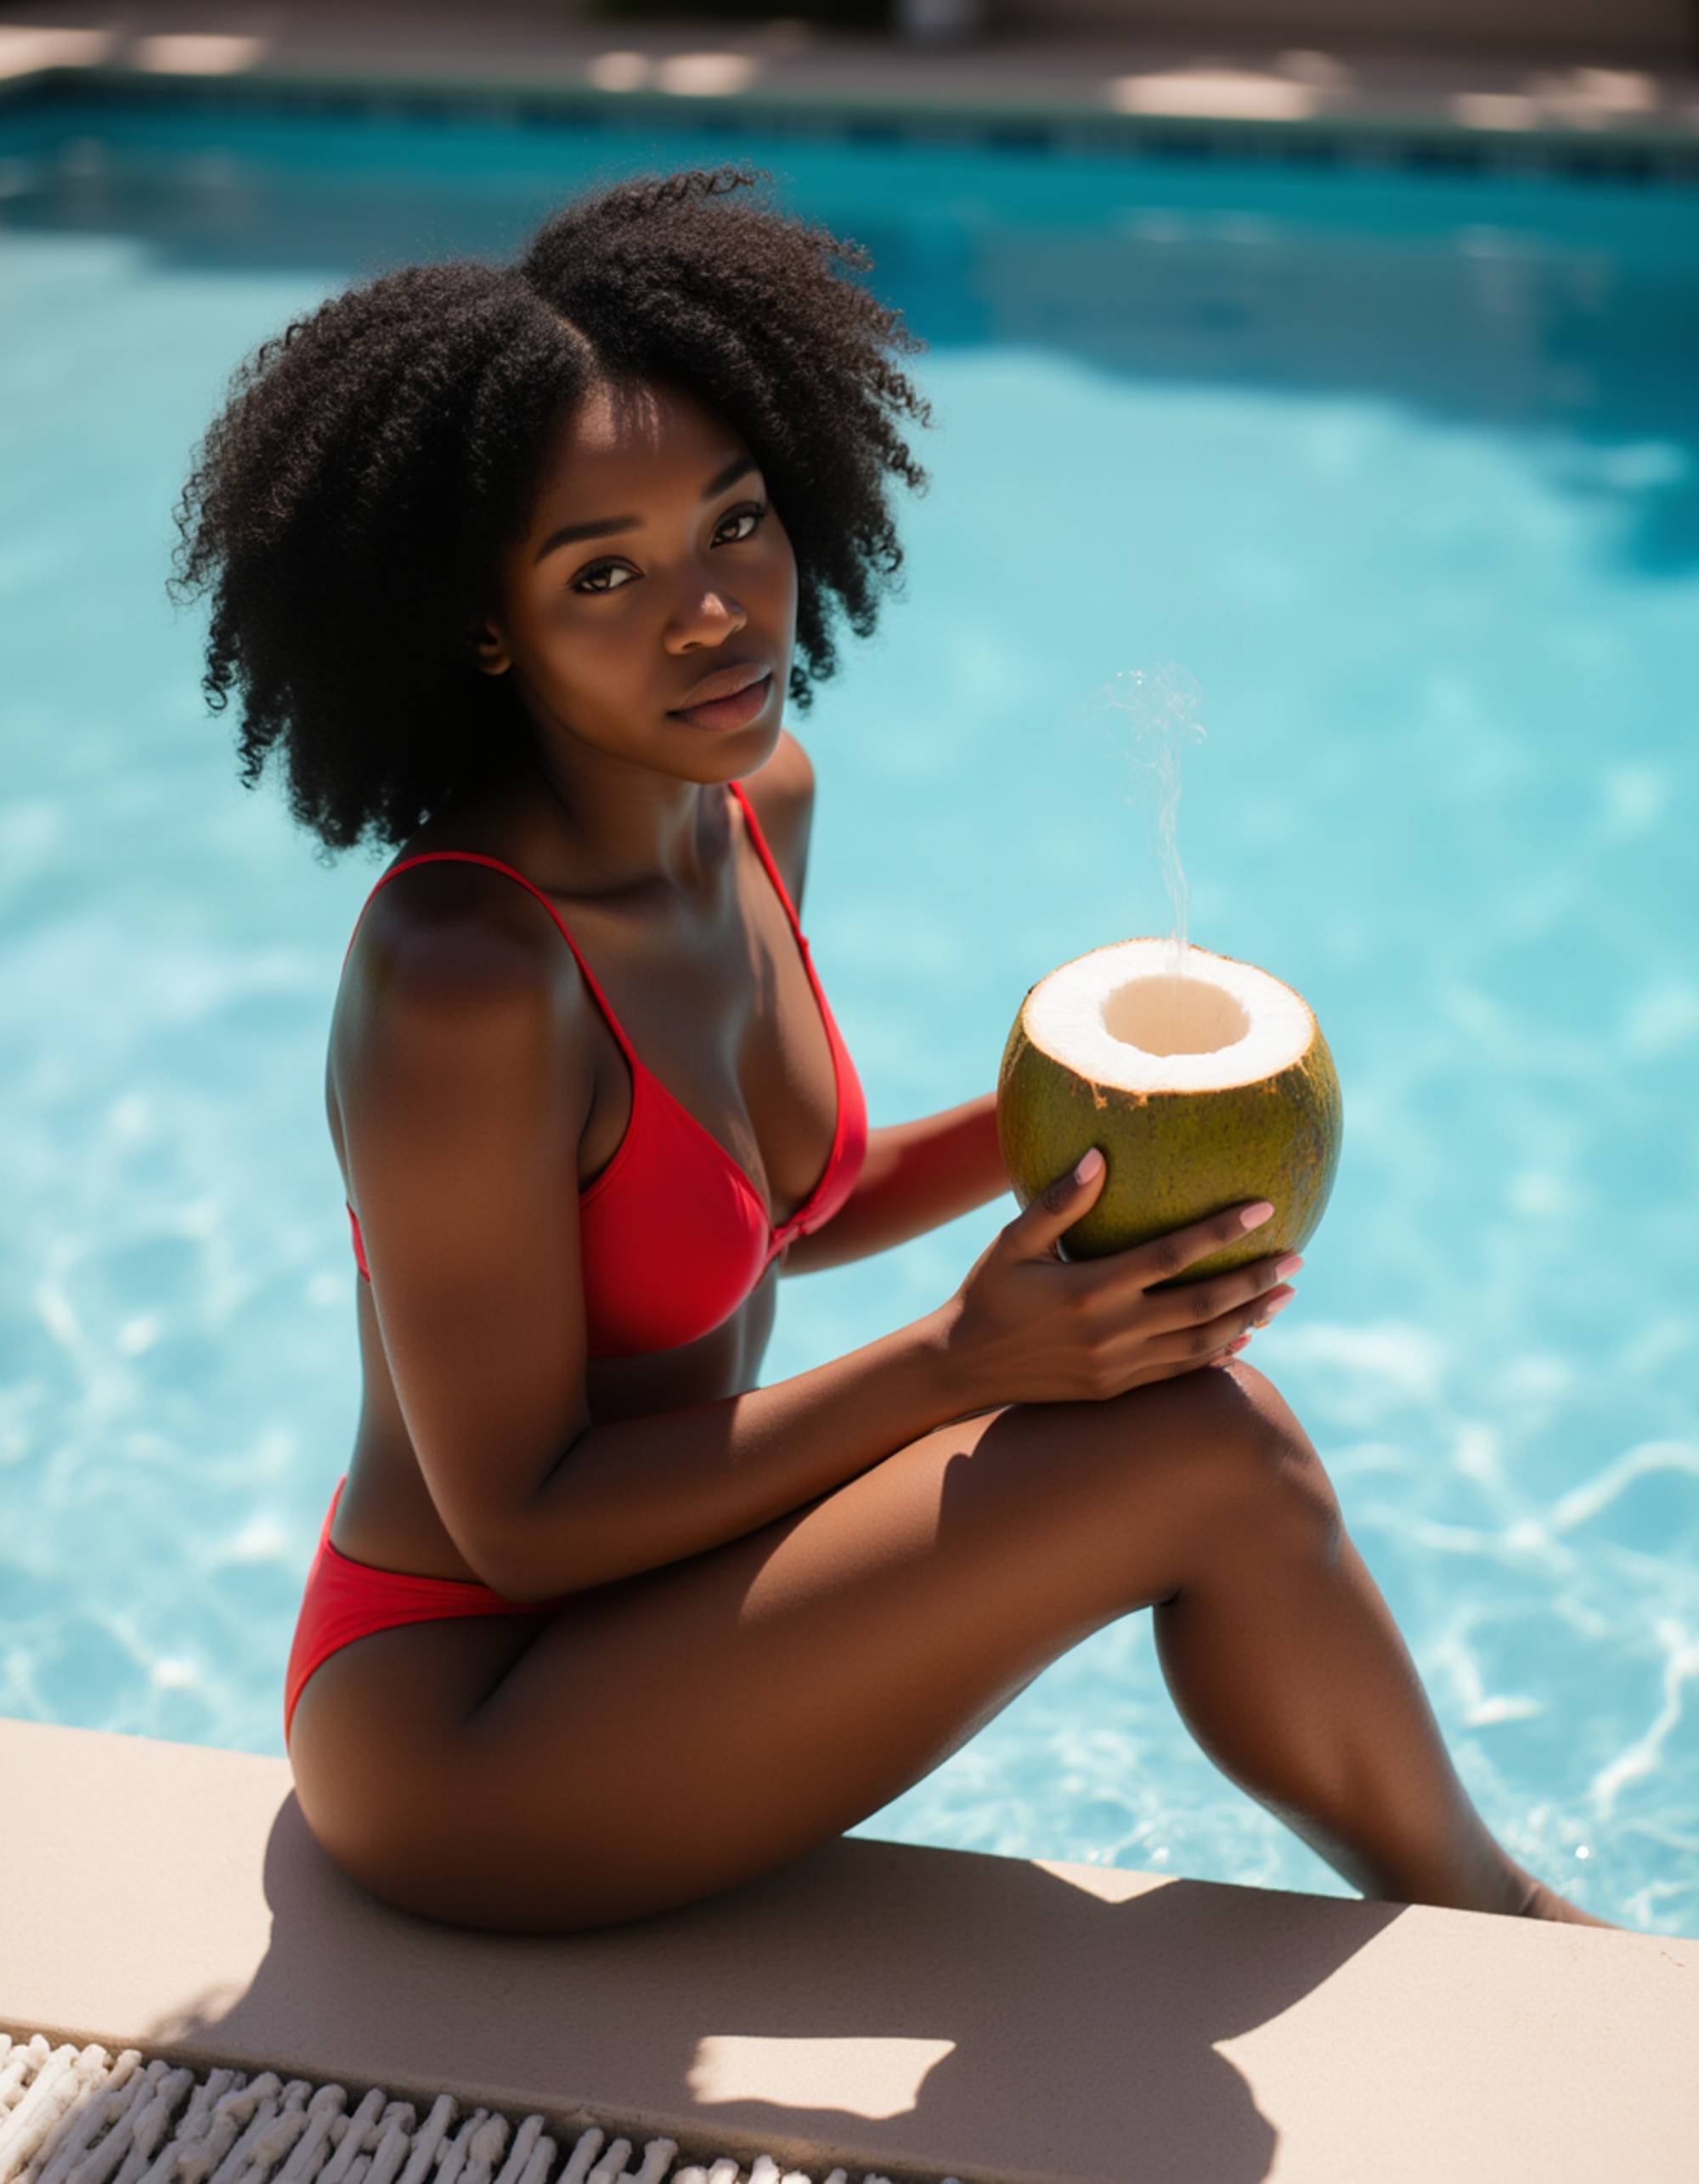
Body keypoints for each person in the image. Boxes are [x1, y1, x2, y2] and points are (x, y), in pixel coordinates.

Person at [168, 163, 1614, 1937]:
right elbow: (519, 1520)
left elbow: (800, 1204)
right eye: (604, 571)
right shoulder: (466, 976)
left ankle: (1490, 1924)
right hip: (466, 1717)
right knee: (1210, 1450)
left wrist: (1115, 1101)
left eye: (735, 523)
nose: (711, 611)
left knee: (1207, 1430)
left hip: (664, 1603)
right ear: (486, 625)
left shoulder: (754, 801)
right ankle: (1522, 1936)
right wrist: (958, 1361)